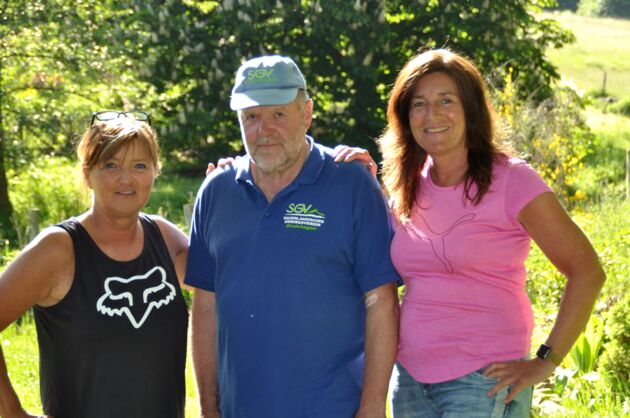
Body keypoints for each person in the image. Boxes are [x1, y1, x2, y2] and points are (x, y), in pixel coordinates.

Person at [335, 48, 606, 417]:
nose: (432, 115)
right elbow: (391, 268)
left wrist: (547, 360)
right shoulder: (406, 186)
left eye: (446, 101)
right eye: (418, 104)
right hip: (411, 377)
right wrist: (363, 185)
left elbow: (587, 271)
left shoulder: (513, 180)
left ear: (471, 109)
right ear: (405, 116)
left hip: (482, 377)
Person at [185, 55, 400, 418]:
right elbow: (205, 308)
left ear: (307, 113)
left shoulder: (350, 184)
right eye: (251, 117)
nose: (263, 129)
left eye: (278, 115)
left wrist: (372, 406)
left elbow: (381, 302)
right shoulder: (216, 192)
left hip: (334, 408)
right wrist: (208, 407)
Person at [0, 112, 189, 418]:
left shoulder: (164, 238)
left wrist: (228, 190)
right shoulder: (59, 249)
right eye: (110, 165)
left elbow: (226, 281)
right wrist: (12, 412)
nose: (125, 178)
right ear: (87, 173)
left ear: (156, 171)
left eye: (139, 165)